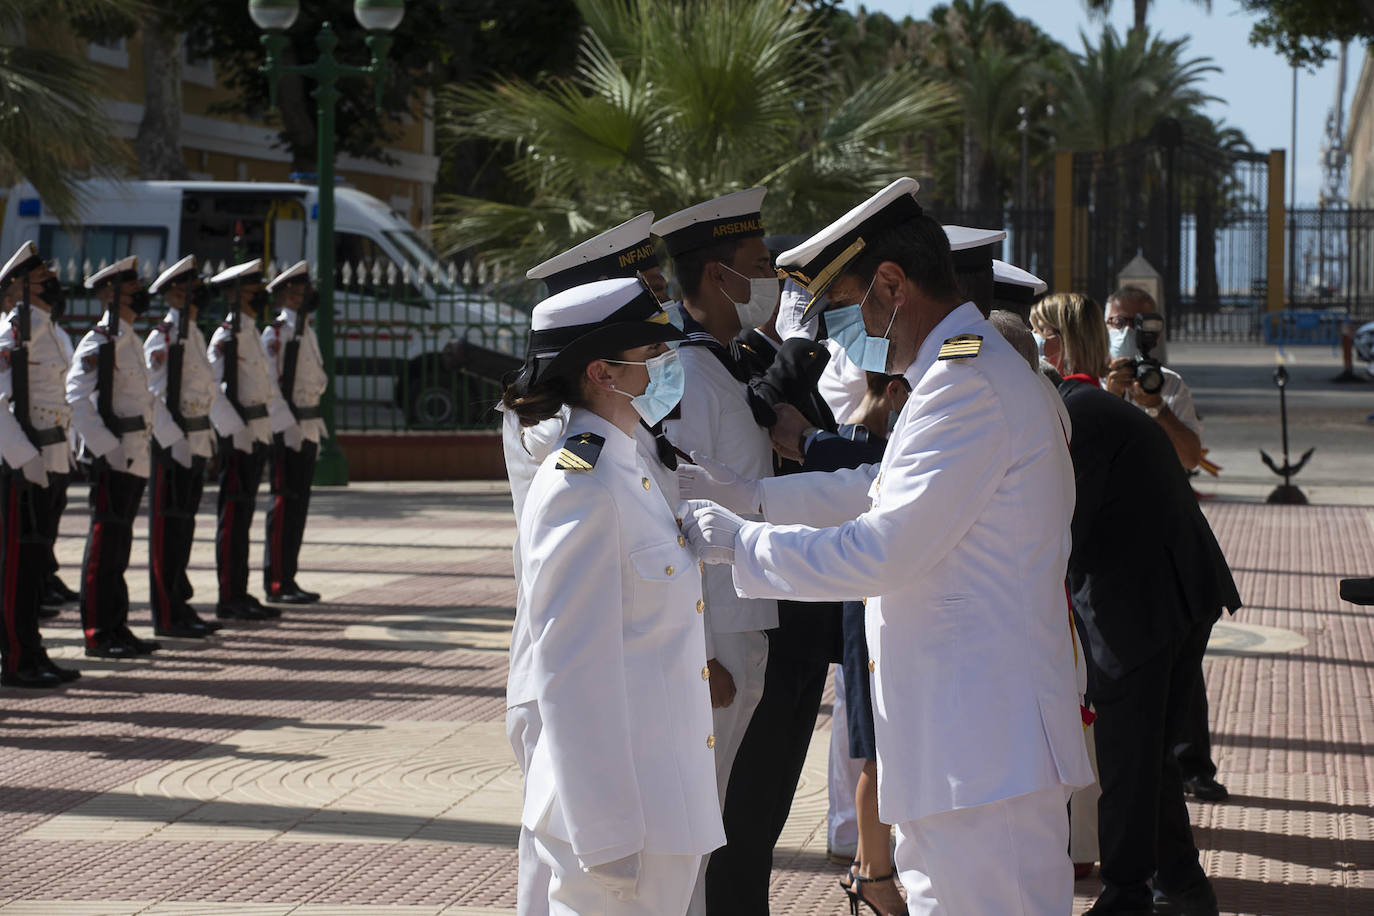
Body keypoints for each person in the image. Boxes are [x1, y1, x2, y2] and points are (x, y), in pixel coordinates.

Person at [681, 177, 1093, 914]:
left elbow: (883, 548)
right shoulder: (955, 373)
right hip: (966, 741)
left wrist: (742, 544)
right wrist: (753, 498)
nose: (843, 335)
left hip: (981, 743)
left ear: (894, 286)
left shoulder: (964, 384)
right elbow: (879, 488)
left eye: (845, 308)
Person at [505, 276, 723, 913]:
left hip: (665, 802)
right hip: (624, 821)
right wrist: (605, 835)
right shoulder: (582, 486)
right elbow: (570, 672)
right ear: (602, 372)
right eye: (651, 354)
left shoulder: (626, 467)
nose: (666, 366)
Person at [1047, 326, 1241, 916]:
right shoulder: (1085, 408)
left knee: (1129, 756)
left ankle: (1127, 894)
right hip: (1174, 592)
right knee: (1149, 755)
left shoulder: (1077, 421)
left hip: (1141, 605)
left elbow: (1060, 534)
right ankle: (1181, 884)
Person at [651, 188, 780, 914]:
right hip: (715, 630)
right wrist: (695, 656)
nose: (770, 280)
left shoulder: (722, 362)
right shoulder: (686, 373)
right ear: (715, 275)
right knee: (693, 819)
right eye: (757, 266)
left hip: (741, 616)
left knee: (711, 810)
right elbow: (672, 514)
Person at [1103, 286, 1227, 804]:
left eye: (1137, 321)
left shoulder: (1168, 384)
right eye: (1117, 320)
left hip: (1166, 536)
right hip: (1112, 538)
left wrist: (1156, 408)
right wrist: (1111, 393)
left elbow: (1192, 456)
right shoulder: (1092, 382)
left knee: (1181, 656)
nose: (1126, 330)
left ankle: (1192, 763)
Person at [68, 256, 185, 658]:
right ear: (110, 293)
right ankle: (98, 632)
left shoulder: (130, 340)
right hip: (112, 457)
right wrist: (106, 448)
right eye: (131, 287)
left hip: (133, 453)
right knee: (105, 545)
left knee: (119, 546)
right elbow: (76, 400)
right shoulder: (98, 342)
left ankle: (116, 625)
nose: (139, 293)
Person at [0, 243, 81, 685]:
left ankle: (31, 649)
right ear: (21, 286)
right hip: (23, 466)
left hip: (51, 458)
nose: (52, 282)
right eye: (42, 278)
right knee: (17, 564)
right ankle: (16, 658)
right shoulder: (14, 333)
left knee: (35, 565)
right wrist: (24, 458)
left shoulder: (49, 331)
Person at [145, 256, 230, 637]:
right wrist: (174, 442)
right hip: (172, 445)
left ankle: (180, 602)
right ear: (175, 294)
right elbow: (152, 398)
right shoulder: (164, 337)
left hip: (193, 440)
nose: (199, 295)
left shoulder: (192, 334)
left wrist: (202, 439)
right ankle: (167, 613)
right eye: (191, 289)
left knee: (183, 527)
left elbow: (203, 392)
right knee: (167, 529)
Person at [207, 259, 294, 621]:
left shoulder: (250, 334)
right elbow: (214, 392)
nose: (261, 295)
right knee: (232, 519)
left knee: (243, 518)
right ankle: (229, 596)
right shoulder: (226, 336)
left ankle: (240, 592)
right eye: (254, 290)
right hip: (238, 438)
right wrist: (237, 433)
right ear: (236, 294)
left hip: (255, 433)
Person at [260, 261, 323, 605]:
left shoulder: (306, 330)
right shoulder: (276, 333)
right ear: (282, 297)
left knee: (298, 507)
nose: (301, 299)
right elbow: (271, 386)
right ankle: (276, 581)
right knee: (284, 504)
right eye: (294, 294)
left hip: (308, 425)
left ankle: (289, 577)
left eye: (303, 293)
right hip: (288, 428)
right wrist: (288, 428)